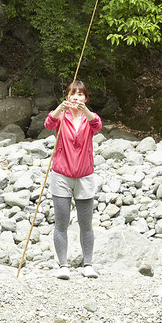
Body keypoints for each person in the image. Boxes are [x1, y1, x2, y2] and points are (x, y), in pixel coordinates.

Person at [43, 78, 102, 280]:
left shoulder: (89, 118)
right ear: (67, 96)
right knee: (62, 223)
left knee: (86, 224)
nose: (76, 97)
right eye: (72, 94)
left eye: (80, 94)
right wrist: (61, 108)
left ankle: (88, 265)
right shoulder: (61, 117)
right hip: (61, 176)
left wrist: (84, 110)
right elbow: (48, 123)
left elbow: (97, 125)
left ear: (85, 97)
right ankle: (63, 265)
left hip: (85, 177)